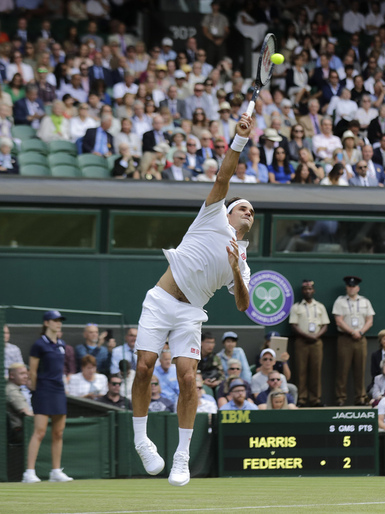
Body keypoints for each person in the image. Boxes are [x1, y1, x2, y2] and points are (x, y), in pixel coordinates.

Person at [130, 112, 255, 487]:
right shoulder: (211, 214)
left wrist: (235, 268)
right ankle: (141, 440)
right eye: (243, 207)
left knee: (188, 379)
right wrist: (239, 140)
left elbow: (243, 305)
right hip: (161, 298)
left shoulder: (244, 260)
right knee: (144, 368)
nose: (248, 211)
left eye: (252, 211)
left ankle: (181, 456)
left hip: (191, 313)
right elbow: (224, 176)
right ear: (228, 210)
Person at [25, 310, 73, 483]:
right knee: (39, 432)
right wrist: (36, 390)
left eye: (59, 320)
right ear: (46, 323)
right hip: (43, 391)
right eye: (55, 320)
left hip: (59, 391)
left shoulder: (62, 344)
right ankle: (29, 472)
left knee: (58, 433)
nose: (58, 323)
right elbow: (33, 371)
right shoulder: (39, 345)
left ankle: (55, 471)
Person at [333, 275, 375, 406]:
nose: (351, 289)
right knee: (342, 370)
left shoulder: (365, 301)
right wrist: (352, 332)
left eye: (354, 286)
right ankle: (340, 398)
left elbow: (370, 320)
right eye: (349, 286)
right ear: (346, 287)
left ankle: (360, 398)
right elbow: (338, 321)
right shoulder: (340, 301)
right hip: (345, 338)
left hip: (361, 339)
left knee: (360, 369)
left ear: (358, 288)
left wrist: (360, 332)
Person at [289, 279, 330, 407]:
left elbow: (325, 325)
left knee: (316, 371)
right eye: (305, 289)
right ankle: (301, 399)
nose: (308, 291)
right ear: (302, 291)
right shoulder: (296, 307)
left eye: (310, 289)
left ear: (313, 290)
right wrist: (306, 335)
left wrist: (316, 335)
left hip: (317, 341)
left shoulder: (320, 306)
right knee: (301, 371)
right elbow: (294, 325)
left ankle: (315, 399)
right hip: (301, 341)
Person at [6, 363, 34, 443]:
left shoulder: (15, 388)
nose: (26, 376)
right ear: (12, 375)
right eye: (22, 374)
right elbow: (26, 413)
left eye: (26, 373)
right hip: (19, 432)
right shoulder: (12, 391)